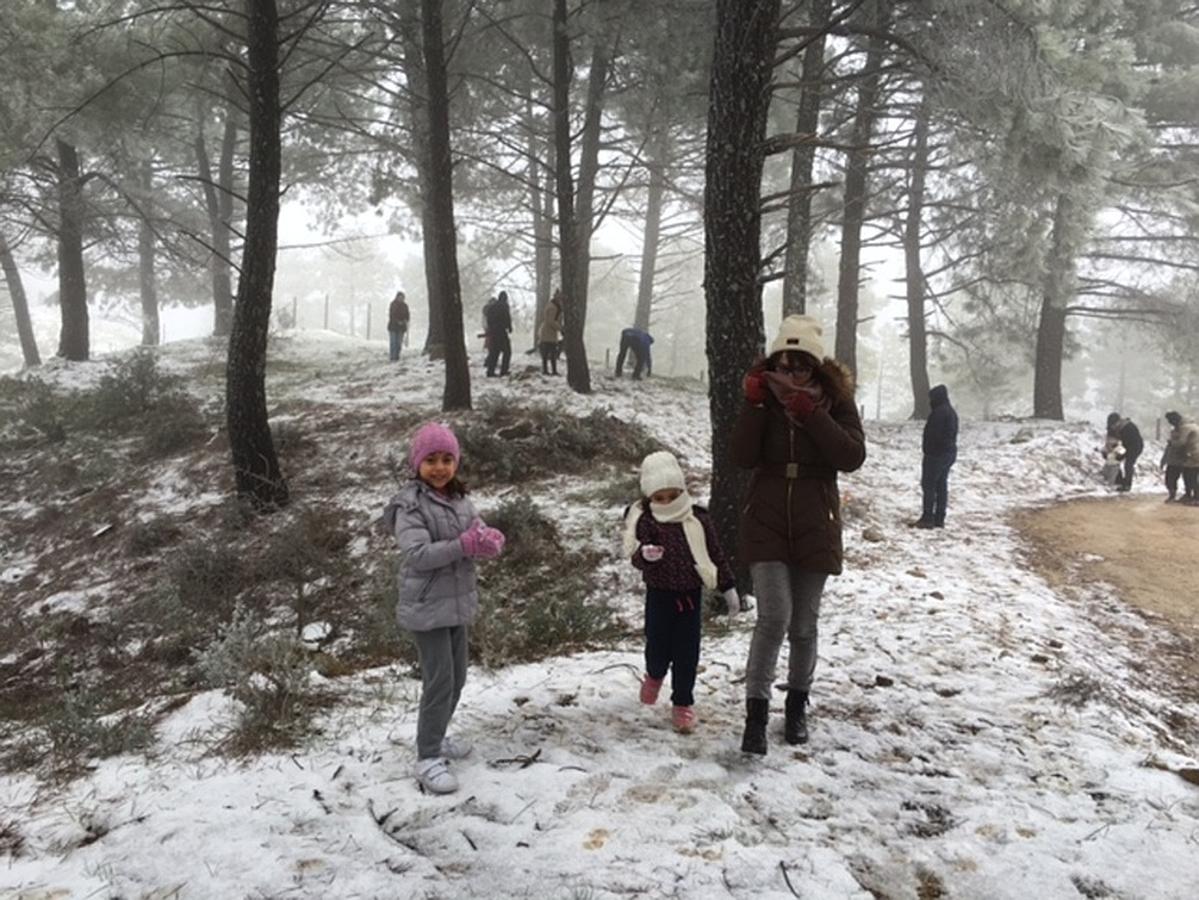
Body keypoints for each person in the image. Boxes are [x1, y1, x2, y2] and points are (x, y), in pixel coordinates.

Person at [733, 314, 866, 754]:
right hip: (767, 516)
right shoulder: (762, 398)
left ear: (816, 365)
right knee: (774, 617)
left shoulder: (836, 400)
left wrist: (813, 416)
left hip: (816, 519)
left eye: (801, 366)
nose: (791, 375)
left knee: (804, 626)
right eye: (784, 365)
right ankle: (755, 715)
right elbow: (743, 455)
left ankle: (796, 707)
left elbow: (851, 456)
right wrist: (753, 407)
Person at [382, 423, 506, 794]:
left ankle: (436, 735)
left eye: (447, 459)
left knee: (458, 678)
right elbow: (418, 555)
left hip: (456, 603)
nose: (439, 467)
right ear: (417, 463)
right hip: (426, 606)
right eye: (431, 460)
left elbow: (473, 529)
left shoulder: (459, 499)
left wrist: (486, 539)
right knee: (439, 681)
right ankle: (428, 756)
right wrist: (465, 545)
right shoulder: (410, 505)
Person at [622, 450, 742, 734]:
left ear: (682, 491)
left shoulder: (698, 519)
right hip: (658, 594)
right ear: (649, 498)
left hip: (690, 596)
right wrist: (645, 555)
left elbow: (715, 554)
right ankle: (654, 675)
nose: (666, 503)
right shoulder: (645, 520)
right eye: (659, 498)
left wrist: (728, 587)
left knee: (687, 653)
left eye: (671, 496)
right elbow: (635, 555)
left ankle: (683, 703)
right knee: (657, 645)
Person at [912, 384, 958, 529]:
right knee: (941, 485)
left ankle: (927, 518)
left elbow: (934, 435)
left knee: (929, 485)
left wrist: (929, 450)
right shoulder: (950, 412)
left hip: (936, 454)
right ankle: (939, 518)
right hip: (948, 453)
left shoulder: (938, 413)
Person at [1162, 411, 1199, 504]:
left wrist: (1171, 442)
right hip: (1191, 454)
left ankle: (1195, 498)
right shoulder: (1191, 425)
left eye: (1170, 421)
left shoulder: (1185, 428)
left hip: (1192, 454)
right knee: (1189, 476)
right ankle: (1190, 496)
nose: (1170, 423)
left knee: (1190, 477)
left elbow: (1181, 442)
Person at [1107, 412, 1144, 492]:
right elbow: (1111, 441)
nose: (1113, 427)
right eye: (1112, 426)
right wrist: (1111, 450)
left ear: (1118, 422)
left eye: (1114, 425)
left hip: (1135, 446)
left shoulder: (1129, 427)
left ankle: (1127, 484)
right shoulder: (1111, 428)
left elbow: (1133, 443)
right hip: (1124, 446)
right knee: (1113, 460)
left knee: (1128, 464)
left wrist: (1123, 453)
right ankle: (1119, 482)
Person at [484, 290, 513, 377]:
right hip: (501, 332)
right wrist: (509, 327)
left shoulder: (492, 307)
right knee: (507, 351)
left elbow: (488, 318)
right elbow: (507, 318)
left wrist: (490, 328)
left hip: (493, 332)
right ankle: (504, 370)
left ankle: (490, 371)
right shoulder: (504, 306)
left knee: (494, 352)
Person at [538, 289, 564, 375]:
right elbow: (551, 321)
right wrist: (560, 328)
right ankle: (548, 370)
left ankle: (551, 370)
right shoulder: (553, 307)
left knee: (551, 352)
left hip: (549, 332)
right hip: (548, 332)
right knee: (549, 352)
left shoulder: (554, 305)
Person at [387, 291, 410, 362]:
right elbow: (391, 315)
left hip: (401, 327)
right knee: (393, 342)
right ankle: (393, 357)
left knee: (399, 343)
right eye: (400, 297)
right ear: (397, 297)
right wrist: (397, 321)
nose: (401, 299)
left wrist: (405, 321)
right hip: (393, 327)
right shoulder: (393, 304)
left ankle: (397, 356)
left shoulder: (405, 306)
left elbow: (407, 315)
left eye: (402, 298)